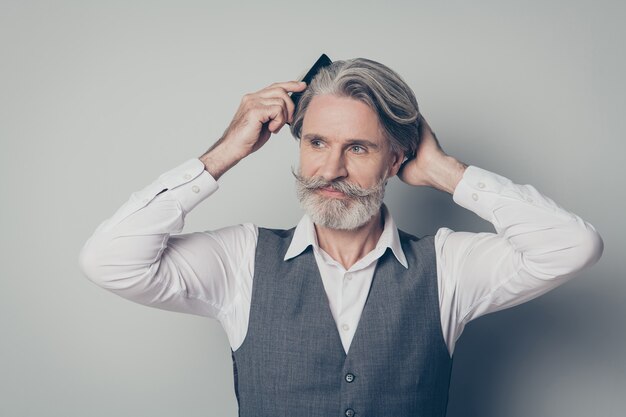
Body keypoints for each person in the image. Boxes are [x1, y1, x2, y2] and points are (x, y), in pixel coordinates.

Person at [79, 58, 604, 417]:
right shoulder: (240, 259)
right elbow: (109, 261)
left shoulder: (447, 267)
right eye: (316, 142)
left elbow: (571, 245)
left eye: (358, 148)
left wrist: (447, 172)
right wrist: (225, 154)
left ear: (396, 159)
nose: (329, 169)